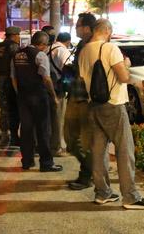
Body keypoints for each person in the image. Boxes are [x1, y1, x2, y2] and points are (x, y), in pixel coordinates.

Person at [78, 19, 144, 210]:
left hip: (93, 105)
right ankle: (130, 197)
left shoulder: (84, 50)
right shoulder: (110, 48)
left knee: (98, 150)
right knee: (125, 149)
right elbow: (124, 77)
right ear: (107, 31)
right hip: (113, 104)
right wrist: (126, 64)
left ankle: (102, 193)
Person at [11, 31, 63, 172]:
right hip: (38, 96)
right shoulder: (40, 55)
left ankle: (27, 162)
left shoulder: (17, 54)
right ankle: (46, 163)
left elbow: (13, 77)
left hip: (23, 97)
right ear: (42, 44)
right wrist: (53, 96)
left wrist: (19, 93)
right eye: (46, 45)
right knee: (43, 130)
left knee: (26, 129)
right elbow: (46, 78)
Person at [65, 13, 97, 190]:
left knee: (83, 141)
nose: (76, 28)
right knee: (70, 139)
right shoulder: (81, 45)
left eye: (78, 25)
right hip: (75, 95)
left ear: (86, 28)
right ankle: (89, 173)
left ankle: (87, 175)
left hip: (86, 100)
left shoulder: (93, 46)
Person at [43, 26, 72, 157]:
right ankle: (57, 148)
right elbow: (68, 69)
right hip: (58, 89)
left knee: (48, 119)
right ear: (68, 41)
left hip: (46, 87)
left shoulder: (47, 49)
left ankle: (46, 145)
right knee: (58, 119)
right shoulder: (63, 50)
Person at [0, 26, 21, 147]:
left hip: (1, 78)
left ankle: (4, 135)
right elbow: (17, 64)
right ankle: (14, 137)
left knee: (4, 107)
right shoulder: (13, 46)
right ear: (14, 35)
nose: (19, 38)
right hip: (10, 79)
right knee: (14, 108)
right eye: (18, 35)